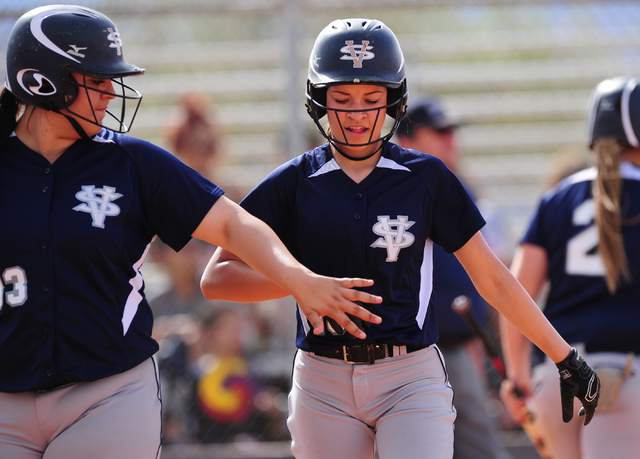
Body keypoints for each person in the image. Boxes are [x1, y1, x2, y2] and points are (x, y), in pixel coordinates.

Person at [200, 18, 600, 459]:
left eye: (372, 99)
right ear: (319, 101)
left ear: (394, 101)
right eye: (342, 99)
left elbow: (494, 278)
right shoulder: (294, 181)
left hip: (410, 374)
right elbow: (216, 277)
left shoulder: (426, 178)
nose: (357, 114)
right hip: (321, 377)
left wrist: (565, 358)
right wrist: (303, 282)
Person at [0, 6, 383, 459]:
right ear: (44, 82)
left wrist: (298, 279)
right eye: (96, 80)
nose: (110, 93)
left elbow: (233, 223)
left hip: (106, 394)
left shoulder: (133, 163)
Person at [499, 76, 640, 459]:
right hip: (628, 380)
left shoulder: (557, 198)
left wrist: (518, 378)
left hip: (558, 378)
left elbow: (515, 293)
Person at [396, 98, 512, 459]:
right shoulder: (393, 188)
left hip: (458, 346)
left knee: (478, 447)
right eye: (441, 131)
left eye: (453, 132)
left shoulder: (460, 188)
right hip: (402, 351)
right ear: (407, 139)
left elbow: (492, 273)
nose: (451, 140)